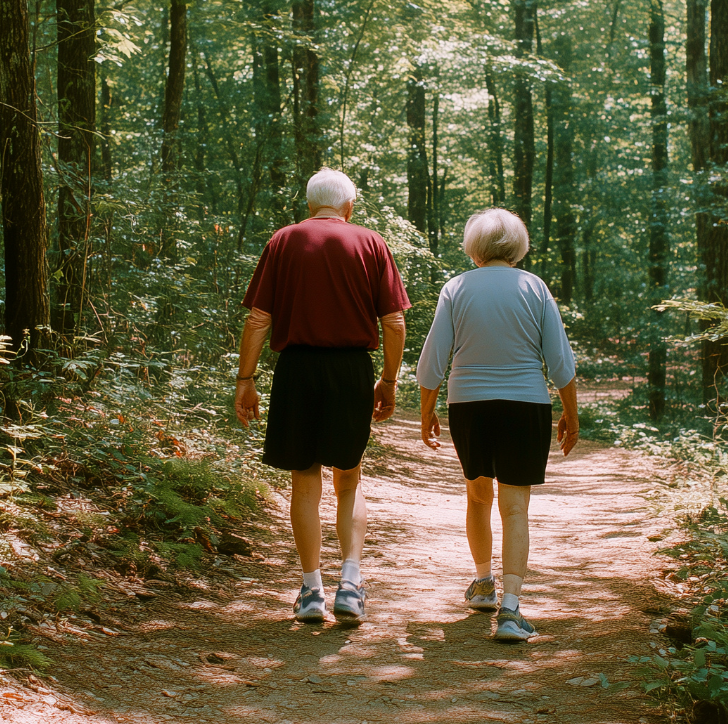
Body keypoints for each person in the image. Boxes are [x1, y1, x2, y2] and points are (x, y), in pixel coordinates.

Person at [234, 168, 410, 625]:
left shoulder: (283, 240)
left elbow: (258, 319)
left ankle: (311, 591)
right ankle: (350, 586)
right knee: (348, 480)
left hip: (297, 370)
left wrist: (245, 379)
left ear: (310, 204)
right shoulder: (371, 242)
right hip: (350, 369)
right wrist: (388, 381)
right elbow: (394, 323)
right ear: (349, 206)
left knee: (304, 481)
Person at [416, 208, 578, 642]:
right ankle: (511, 609)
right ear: (518, 245)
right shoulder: (534, 287)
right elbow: (559, 360)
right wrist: (571, 413)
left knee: (477, 495)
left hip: (469, 404)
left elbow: (434, 359)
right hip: (526, 405)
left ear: (476, 246)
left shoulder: (456, 287)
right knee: (515, 507)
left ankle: (484, 582)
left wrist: (426, 408)